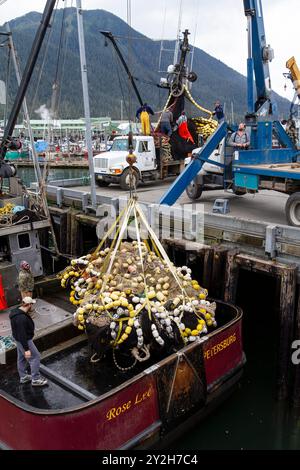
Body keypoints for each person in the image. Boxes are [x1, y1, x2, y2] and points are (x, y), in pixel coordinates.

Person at [9, 297, 48, 386]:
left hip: (17, 339)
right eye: (32, 304)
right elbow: (22, 334)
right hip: (24, 340)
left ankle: (23, 377)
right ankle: (36, 379)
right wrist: (26, 349)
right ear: (29, 305)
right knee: (35, 357)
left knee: (21, 358)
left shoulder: (15, 311)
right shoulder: (21, 318)